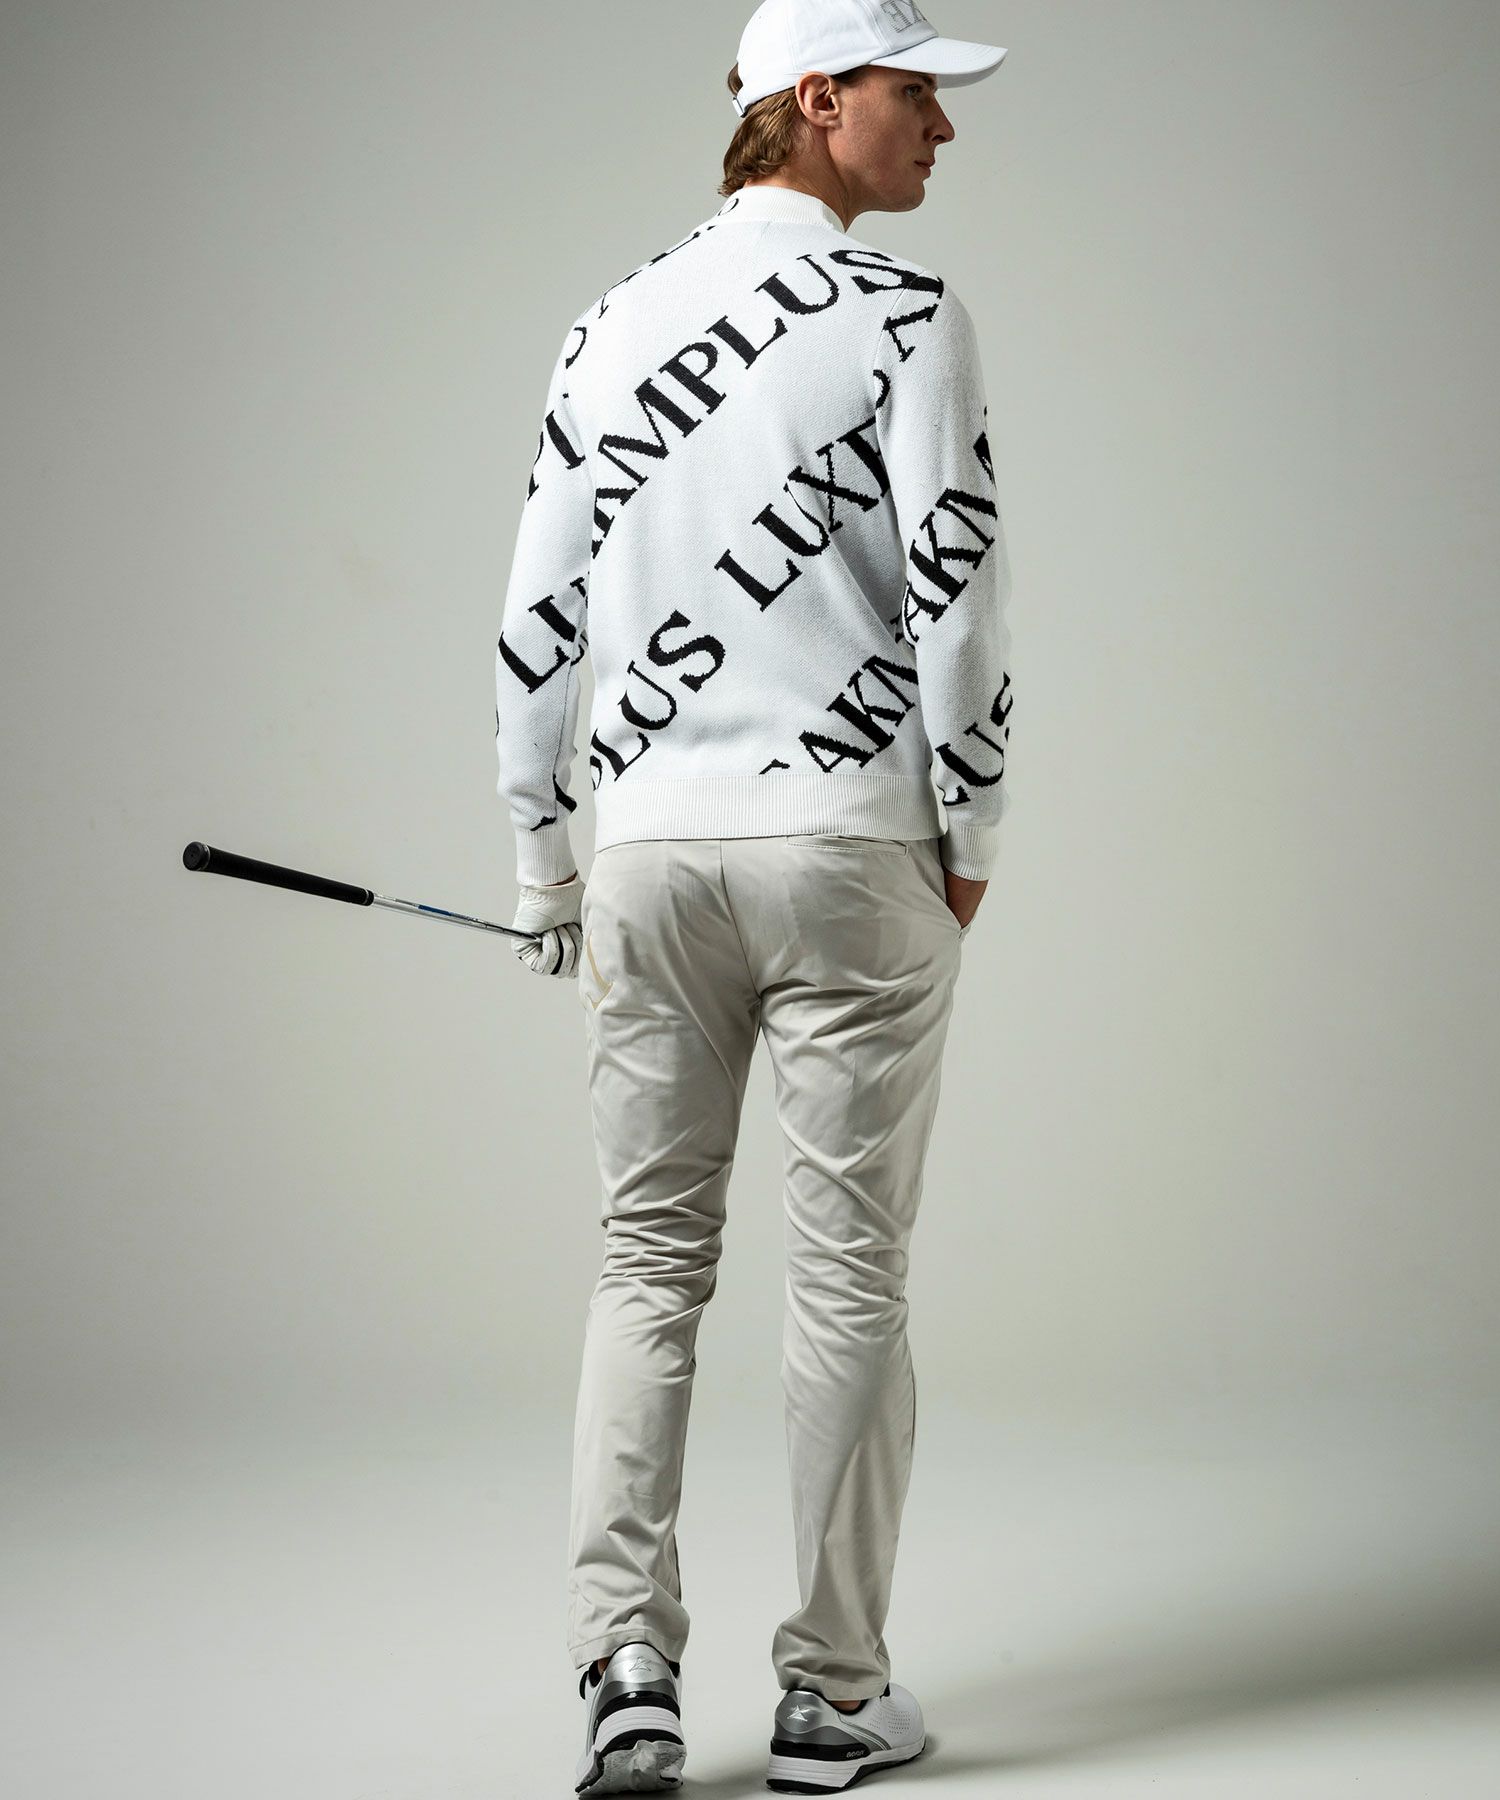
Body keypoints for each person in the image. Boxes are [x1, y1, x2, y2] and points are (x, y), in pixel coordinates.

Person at [493, 1, 1012, 1789]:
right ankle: (834, 1691)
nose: (942, 126)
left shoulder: (607, 321)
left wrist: (542, 855)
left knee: (646, 1262)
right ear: (818, 95)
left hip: (645, 847)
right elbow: (959, 597)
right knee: (850, 1271)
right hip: (850, 838)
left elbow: (536, 614)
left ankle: (625, 1673)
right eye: (916, 91)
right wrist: (970, 832)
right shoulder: (909, 315)